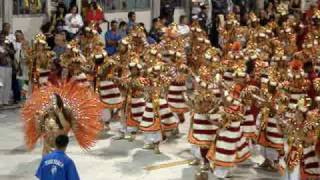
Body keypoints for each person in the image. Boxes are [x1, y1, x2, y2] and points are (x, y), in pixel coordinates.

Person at [0, 33, 14, 106]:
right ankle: (0, 101)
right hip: (1, 67)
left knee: (8, 84)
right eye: (1, 37)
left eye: (4, 37)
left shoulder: (7, 45)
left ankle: (6, 101)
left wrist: (7, 48)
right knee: (1, 84)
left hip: (9, 67)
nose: (2, 39)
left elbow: (12, 53)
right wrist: (5, 52)